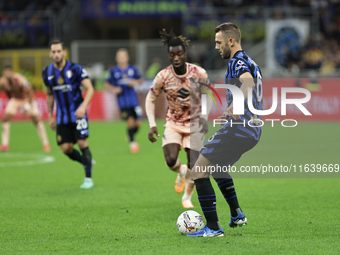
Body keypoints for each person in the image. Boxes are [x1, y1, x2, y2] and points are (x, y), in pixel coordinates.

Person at [187, 22, 263, 237]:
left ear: (231, 41)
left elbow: (247, 84)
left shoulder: (237, 62)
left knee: (198, 170)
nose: (216, 47)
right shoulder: (251, 61)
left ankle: (212, 228)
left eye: (219, 43)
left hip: (239, 129)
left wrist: (236, 105)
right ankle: (237, 214)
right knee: (217, 167)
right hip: (252, 130)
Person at [146, 29, 211, 208]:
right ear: (168, 55)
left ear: (185, 54)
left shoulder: (199, 73)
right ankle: (180, 171)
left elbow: (209, 96)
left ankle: (187, 198)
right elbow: (150, 99)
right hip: (173, 124)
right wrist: (152, 125)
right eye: (172, 54)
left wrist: (204, 118)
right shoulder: (163, 76)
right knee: (170, 160)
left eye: (179, 54)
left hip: (194, 124)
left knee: (194, 164)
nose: (176, 58)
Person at [42, 40, 95, 189]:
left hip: (78, 114)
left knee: (82, 143)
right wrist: (50, 116)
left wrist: (83, 107)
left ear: (64, 52)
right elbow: (49, 94)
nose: (57, 54)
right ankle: (87, 161)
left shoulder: (76, 69)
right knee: (66, 149)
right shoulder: (47, 72)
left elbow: (90, 89)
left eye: (59, 51)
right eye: (54, 52)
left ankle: (88, 178)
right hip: (61, 117)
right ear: (50, 53)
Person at [0, 65, 50, 152]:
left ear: (12, 72)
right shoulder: (3, 81)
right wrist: (11, 101)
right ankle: (5, 144)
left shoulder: (19, 79)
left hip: (27, 99)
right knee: (5, 119)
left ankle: (46, 144)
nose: (7, 74)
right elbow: (7, 91)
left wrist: (28, 105)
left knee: (36, 120)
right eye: (5, 72)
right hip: (15, 99)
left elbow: (30, 90)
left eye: (9, 72)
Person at [104, 48, 143, 153]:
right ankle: (132, 143)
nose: (122, 58)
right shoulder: (113, 71)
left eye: (123, 56)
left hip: (134, 101)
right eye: (120, 57)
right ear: (117, 58)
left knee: (138, 124)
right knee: (130, 121)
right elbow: (106, 84)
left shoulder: (133, 69)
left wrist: (134, 82)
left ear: (127, 58)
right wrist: (114, 89)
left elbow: (141, 79)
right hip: (122, 102)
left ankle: (130, 135)